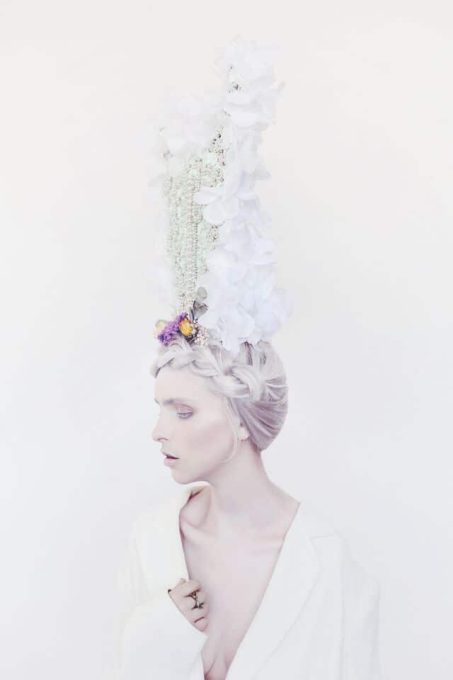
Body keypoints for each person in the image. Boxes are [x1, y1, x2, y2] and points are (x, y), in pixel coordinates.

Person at [114, 38, 381, 679]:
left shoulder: (326, 562)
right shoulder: (153, 540)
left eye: (183, 411)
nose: (158, 431)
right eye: (160, 408)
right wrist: (159, 634)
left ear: (240, 418)